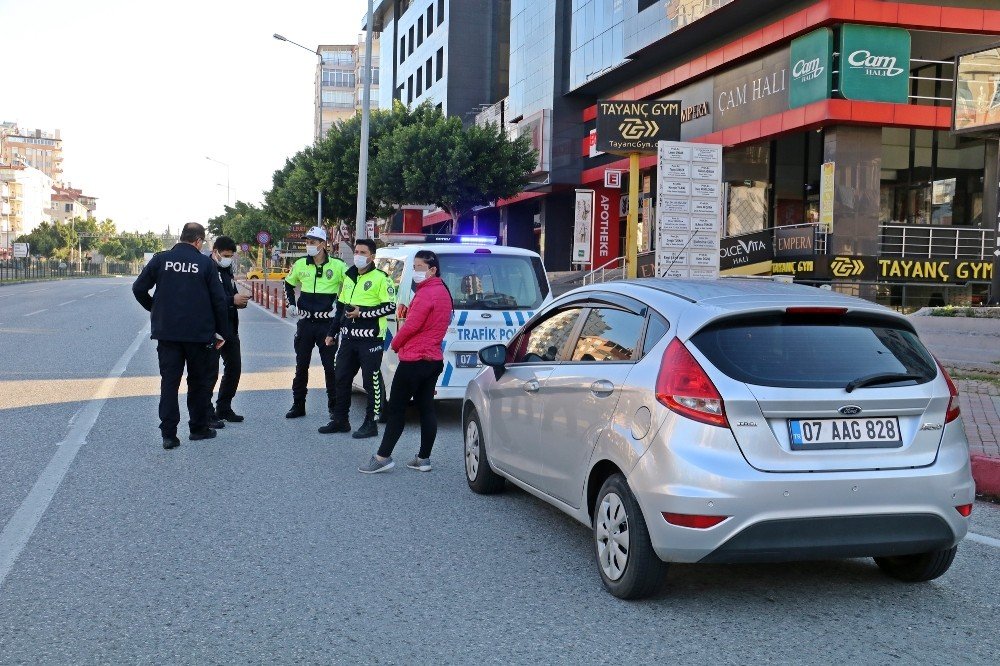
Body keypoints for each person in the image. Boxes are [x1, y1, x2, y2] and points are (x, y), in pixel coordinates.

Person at [132, 222, 229, 450]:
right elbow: (218, 301)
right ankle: (197, 429)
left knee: (169, 383)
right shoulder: (205, 263)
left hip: (168, 333)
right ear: (198, 241)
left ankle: (169, 435)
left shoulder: (160, 260)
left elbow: (138, 288)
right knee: (197, 383)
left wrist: (155, 308)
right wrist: (222, 332)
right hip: (199, 335)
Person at [358, 250, 452, 474]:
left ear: (432, 270)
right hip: (433, 359)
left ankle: (382, 457)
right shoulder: (443, 292)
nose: (415, 271)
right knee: (426, 408)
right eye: (415, 267)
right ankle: (423, 459)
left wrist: (396, 343)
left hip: (414, 360)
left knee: (396, 409)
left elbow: (412, 326)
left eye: (419, 267)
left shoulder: (426, 294)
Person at [322, 238, 396, 439]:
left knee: (370, 381)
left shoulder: (382, 278)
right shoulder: (349, 277)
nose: (358, 255)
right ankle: (340, 420)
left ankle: (371, 423)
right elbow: (341, 308)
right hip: (348, 338)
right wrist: (332, 332)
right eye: (356, 251)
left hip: (371, 339)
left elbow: (390, 306)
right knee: (341, 377)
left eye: (363, 252)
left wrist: (362, 313)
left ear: (372, 256)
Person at [283, 226, 346, 420]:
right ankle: (298, 405)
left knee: (330, 366)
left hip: (327, 324)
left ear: (323, 244)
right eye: (307, 242)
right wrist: (291, 303)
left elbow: (351, 285)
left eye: (312, 242)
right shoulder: (301, 264)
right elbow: (288, 283)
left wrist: (340, 305)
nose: (309, 245)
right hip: (305, 323)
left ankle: (334, 407)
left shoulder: (338, 265)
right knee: (301, 366)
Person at [209, 236, 251, 423]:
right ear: (215, 251)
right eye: (225, 255)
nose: (228, 258)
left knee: (234, 369)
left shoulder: (226, 270)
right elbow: (207, 299)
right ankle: (206, 414)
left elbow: (228, 294)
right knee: (209, 373)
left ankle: (224, 408)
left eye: (231, 256)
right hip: (212, 330)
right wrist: (230, 301)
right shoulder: (206, 269)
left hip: (230, 328)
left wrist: (237, 302)